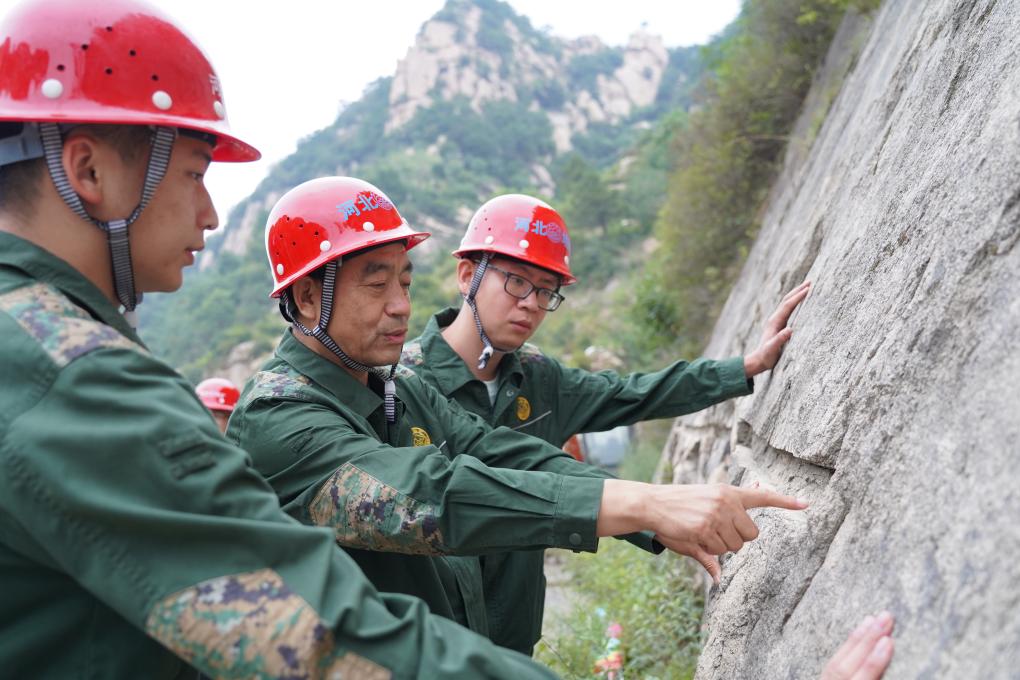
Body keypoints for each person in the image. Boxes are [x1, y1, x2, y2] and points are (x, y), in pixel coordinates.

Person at [0, 1, 580, 676]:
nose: (212, 214)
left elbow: (479, 455)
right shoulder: (76, 378)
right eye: (194, 172)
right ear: (89, 171)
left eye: (405, 282)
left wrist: (618, 501)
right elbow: (314, 634)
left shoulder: (45, 352)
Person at [227, 175, 808, 641]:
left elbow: (503, 452)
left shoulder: (398, 386)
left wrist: (649, 513)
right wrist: (646, 502)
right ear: (308, 296)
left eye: (405, 283)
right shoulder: (279, 416)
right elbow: (433, 495)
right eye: (377, 286)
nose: (401, 306)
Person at [400, 193, 811, 653]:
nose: (532, 304)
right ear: (465, 276)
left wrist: (742, 368)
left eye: (546, 290)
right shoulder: (403, 384)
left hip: (512, 633)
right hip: (431, 640)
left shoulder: (537, 378)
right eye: (516, 281)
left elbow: (631, 393)